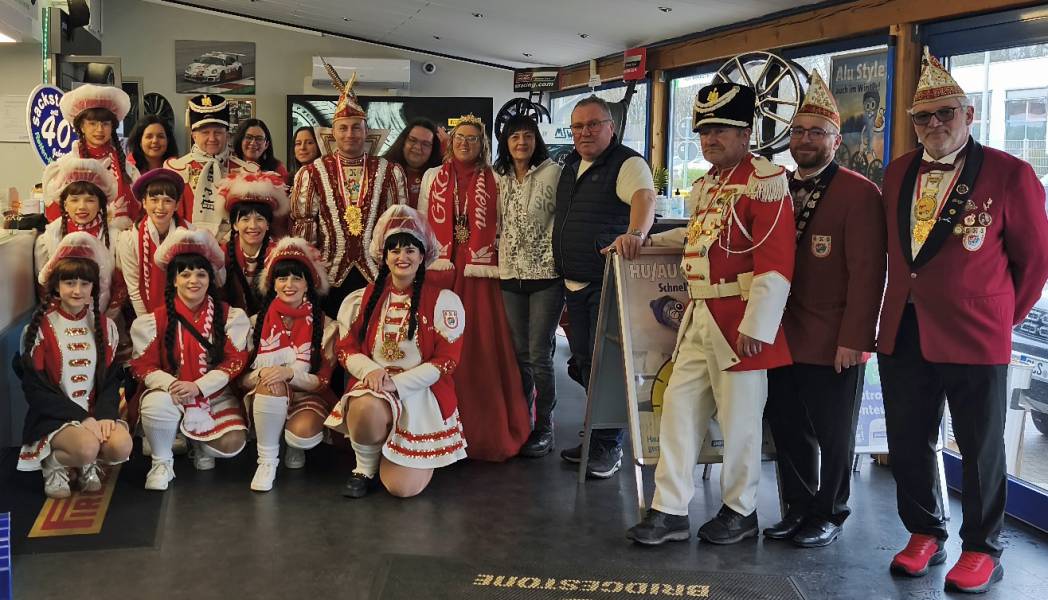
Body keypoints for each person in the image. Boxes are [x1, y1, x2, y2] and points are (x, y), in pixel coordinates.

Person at [877, 51, 1048, 593]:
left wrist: (1000, 318)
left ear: (969, 115)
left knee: (979, 446)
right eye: (923, 117)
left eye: (945, 113)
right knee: (908, 438)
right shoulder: (897, 172)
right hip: (904, 325)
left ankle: (982, 547)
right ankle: (924, 531)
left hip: (976, 332)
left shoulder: (1011, 173)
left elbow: (1035, 262)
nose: (934, 124)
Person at [626, 82, 794, 545]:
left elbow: (776, 263)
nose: (710, 139)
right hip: (700, 314)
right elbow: (697, 238)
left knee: (740, 424)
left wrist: (758, 325)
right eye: (704, 131)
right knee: (677, 411)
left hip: (740, 320)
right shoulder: (709, 185)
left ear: (745, 134)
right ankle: (669, 508)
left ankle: (740, 510)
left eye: (721, 129)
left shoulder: (765, 182)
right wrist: (644, 241)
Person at [763, 71, 885, 548]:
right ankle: (796, 507)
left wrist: (855, 339)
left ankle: (830, 512)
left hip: (834, 337)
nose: (805, 140)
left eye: (817, 132)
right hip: (779, 333)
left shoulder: (860, 193)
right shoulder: (773, 185)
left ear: (836, 140)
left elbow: (869, 274)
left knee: (834, 433)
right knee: (787, 426)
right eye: (798, 131)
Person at [326, 204, 467, 497]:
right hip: (375, 387)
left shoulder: (443, 301)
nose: (402, 257)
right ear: (384, 256)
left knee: (402, 489)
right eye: (395, 250)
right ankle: (365, 466)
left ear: (422, 256)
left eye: (410, 250)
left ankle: (397, 449)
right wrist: (371, 371)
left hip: (420, 393)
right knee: (364, 407)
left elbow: (447, 360)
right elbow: (345, 347)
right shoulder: (361, 299)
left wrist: (398, 383)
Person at [552, 96, 656, 477]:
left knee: (606, 365)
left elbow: (644, 197)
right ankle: (598, 434)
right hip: (573, 283)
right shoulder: (570, 166)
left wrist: (635, 233)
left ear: (611, 127)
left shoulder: (627, 163)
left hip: (606, 283)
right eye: (578, 126)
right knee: (583, 362)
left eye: (593, 124)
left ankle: (609, 445)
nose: (585, 132)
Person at [418, 115, 531, 461]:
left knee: (480, 346)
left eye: (473, 139)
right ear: (450, 142)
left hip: (480, 272)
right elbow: (423, 223)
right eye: (460, 138)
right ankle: (434, 428)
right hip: (442, 270)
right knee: (439, 343)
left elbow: (506, 223)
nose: (465, 144)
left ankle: (483, 429)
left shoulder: (496, 177)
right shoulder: (432, 177)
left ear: (482, 144)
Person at [130, 228, 251, 491]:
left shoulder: (230, 316)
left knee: (232, 444)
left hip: (215, 393)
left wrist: (198, 387)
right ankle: (162, 462)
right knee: (156, 405)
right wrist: (173, 385)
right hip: (171, 393)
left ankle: (197, 442)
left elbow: (236, 360)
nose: (193, 281)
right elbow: (142, 366)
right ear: (174, 280)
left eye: (201, 274)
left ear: (210, 279)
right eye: (185, 274)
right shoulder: (154, 320)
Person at [15, 233, 131, 498]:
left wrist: (104, 415)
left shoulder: (106, 327)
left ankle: (86, 459)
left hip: (93, 413)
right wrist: (83, 418)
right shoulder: (38, 330)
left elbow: (112, 380)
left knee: (121, 446)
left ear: (93, 288)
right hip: (53, 418)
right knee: (86, 447)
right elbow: (36, 392)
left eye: (84, 283)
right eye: (69, 283)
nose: (77, 290)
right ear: (56, 287)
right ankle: (54, 463)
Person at [289, 70, 407, 318]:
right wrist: (305, 271)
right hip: (328, 276)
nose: (350, 134)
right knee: (331, 334)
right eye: (343, 128)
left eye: (356, 128)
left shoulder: (389, 171)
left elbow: (397, 226)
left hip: (377, 273)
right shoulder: (312, 173)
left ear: (366, 131)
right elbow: (304, 228)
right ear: (333, 133)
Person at [493, 114, 564, 458]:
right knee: (520, 354)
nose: (521, 142)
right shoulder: (499, 178)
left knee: (539, 354)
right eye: (514, 137)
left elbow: (565, 218)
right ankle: (524, 421)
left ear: (536, 140)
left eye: (528, 136)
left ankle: (545, 426)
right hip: (509, 275)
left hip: (546, 276)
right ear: (505, 143)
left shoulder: (554, 173)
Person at [243, 237, 338, 492]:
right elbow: (241, 378)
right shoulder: (253, 323)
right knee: (271, 384)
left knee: (301, 435)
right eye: (282, 278)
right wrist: (265, 373)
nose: (289, 284)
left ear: (308, 283)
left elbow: (323, 381)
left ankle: (291, 443)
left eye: (297, 278)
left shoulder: (326, 326)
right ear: (272, 283)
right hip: (265, 393)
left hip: (307, 395)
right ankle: (266, 461)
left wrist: (288, 374)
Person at [164, 94, 259, 241]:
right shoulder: (175, 170)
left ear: (227, 135)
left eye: (218, 132)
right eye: (205, 132)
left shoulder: (247, 172)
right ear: (194, 136)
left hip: (233, 247)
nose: (212, 138)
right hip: (188, 246)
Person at [48, 84, 139, 229]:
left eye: (105, 124)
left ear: (112, 127)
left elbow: (139, 213)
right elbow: (55, 216)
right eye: (92, 123)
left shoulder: (127, 169)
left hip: (118, 240)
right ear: (81, 127)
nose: (99, 129)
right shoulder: (65, 167)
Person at [35, 158, 120, 303]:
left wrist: (106, 315)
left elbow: (120, 285)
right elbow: (44, 286)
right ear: (65, 204)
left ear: (100, 204)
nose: (81, 207)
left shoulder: (115, 237)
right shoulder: (49, 238)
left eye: (90, 200)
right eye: (74, 200)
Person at [119, 168, 192, 318]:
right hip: (148, 316)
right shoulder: (129, 238)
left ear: (177, 205)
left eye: (167, 201)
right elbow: (134, 290)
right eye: (154, 200)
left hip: (186, 313)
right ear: (144, 203)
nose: (160, 207)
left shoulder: (190, 234)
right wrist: (149, 324)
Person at [216, 171, 290, 316]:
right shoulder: (221, 254)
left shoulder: (279, 254)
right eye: (245, 219)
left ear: (268, 224)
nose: (253, 226)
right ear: (235, 225)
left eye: (260, 219)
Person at [383, 119, 443, 208]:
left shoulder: (441, 176)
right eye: (412, 140)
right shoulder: (384, 170)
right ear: (403, 142)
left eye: (425, 144)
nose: (418, 147)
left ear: (433, 149)